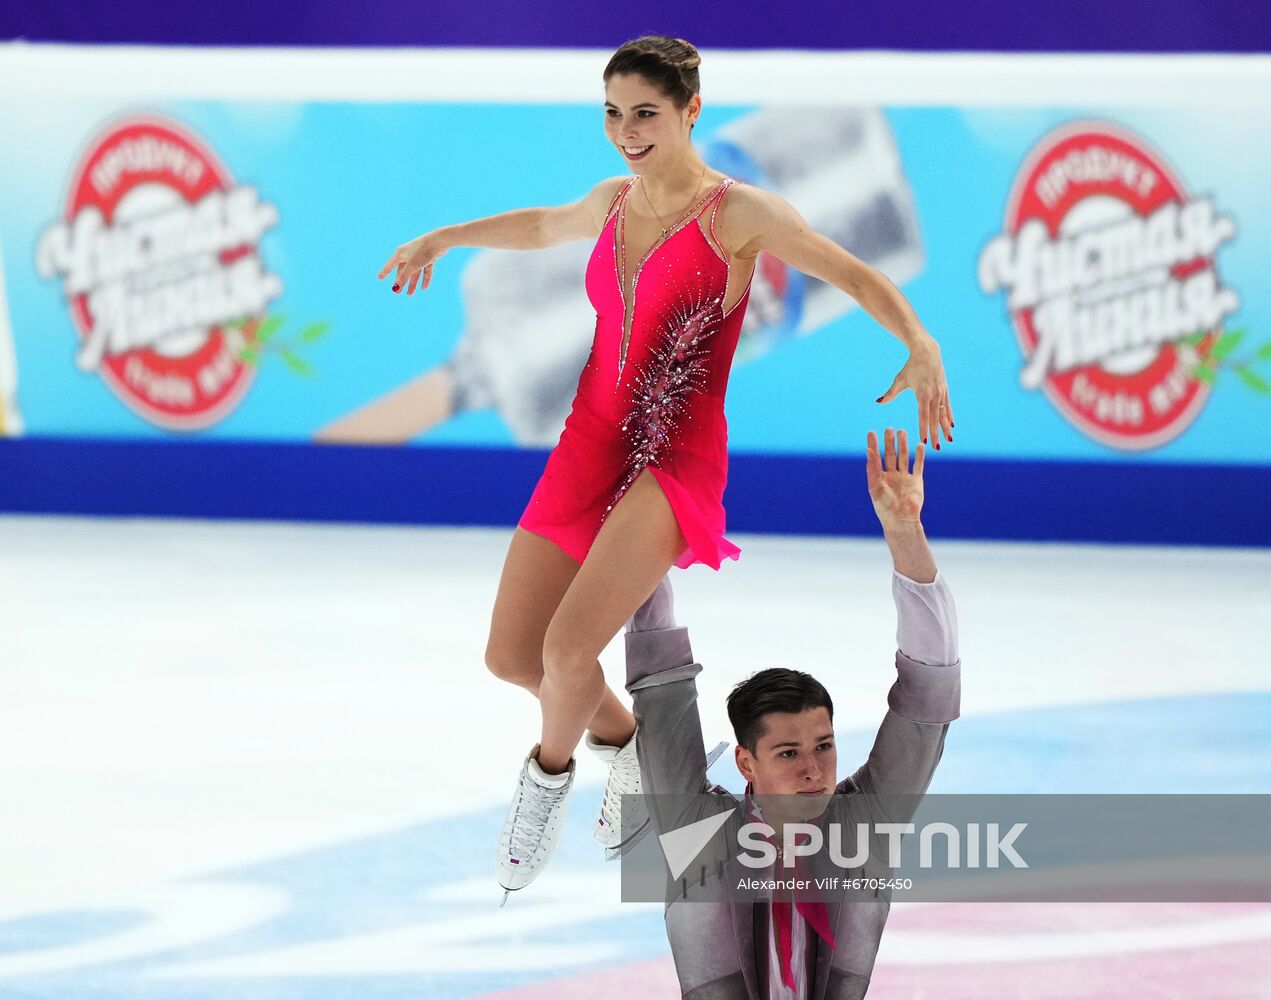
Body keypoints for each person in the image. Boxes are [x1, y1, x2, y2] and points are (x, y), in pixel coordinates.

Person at [374, 35, 955, 900]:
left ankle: (545, 780)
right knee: (513, 657)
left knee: (569, 650)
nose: (626, 131)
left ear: (690, 111)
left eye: (645, 113)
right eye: (613, 113)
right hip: (588, 442)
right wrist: (444, 238)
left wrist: (919, 340)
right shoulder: (611, 201)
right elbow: (540, 226)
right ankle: (633, 746)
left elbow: (849, 271)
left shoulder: (737, 213)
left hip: (672, 458)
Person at [624, 427, 959, 999]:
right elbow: (659, 683)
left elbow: (929, 695)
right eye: (788, 753)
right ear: (746, 762)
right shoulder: (695, 829)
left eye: (823, 745)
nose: (814, 770)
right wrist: (645, 519)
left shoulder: (865, 824)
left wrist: (906, 534)